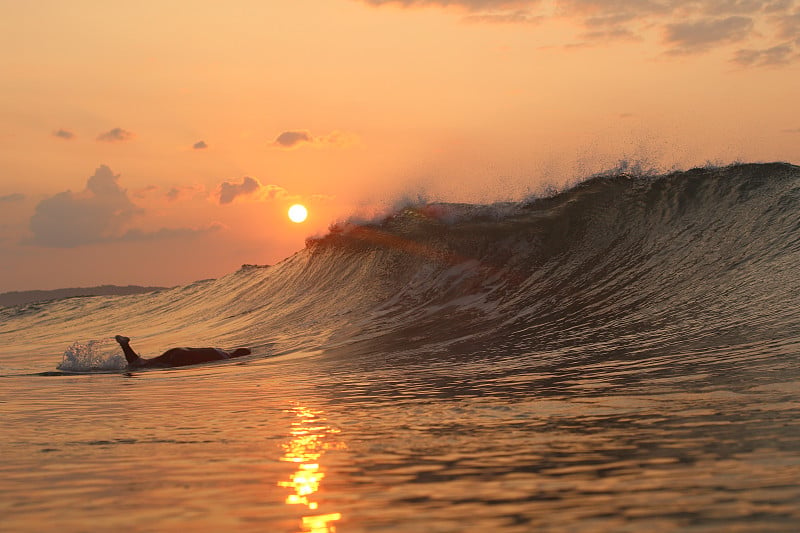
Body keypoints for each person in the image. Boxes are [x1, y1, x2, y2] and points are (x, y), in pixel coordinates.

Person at [115, 335, 251, 368]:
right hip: (183, 356)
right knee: (142, 366)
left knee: (142, 363)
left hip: (178, 350)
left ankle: (124, 344)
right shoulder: (225, 359)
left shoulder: (221, 350)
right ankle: (125, 345)